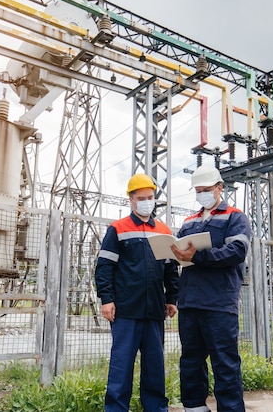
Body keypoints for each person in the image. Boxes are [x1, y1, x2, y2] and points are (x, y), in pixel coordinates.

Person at [95, 173, 179, 412]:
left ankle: (155, 408)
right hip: (125, 311)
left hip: (154, 310)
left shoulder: (163, 230)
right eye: (141, 197)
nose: (146, 201)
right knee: (122, 365)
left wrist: (172, 298)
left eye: (150, 197)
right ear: (131, 200)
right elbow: (104, 267)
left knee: (154, 366)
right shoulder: (117, 229)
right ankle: (116, 409)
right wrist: (107, 299)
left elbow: (170, 269)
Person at [170, 165, 251, 412]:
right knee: (190, 362)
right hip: (190, 301)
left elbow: (237, 251)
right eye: (198, 190)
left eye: (206, 189)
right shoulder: (189, 221)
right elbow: (183, 256)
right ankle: (194, 408)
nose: (202, 194)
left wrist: (199, 257)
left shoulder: (236, 217)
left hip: (219, 303)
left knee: (225, 363)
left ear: (219, 188)